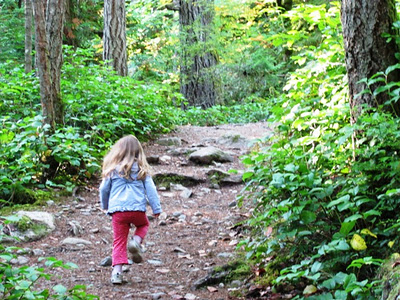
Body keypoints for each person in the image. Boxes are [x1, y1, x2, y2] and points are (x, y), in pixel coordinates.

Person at [99, 135, 162, 284]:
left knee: (119, 241)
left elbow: (103, 189)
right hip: (137, 210)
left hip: (118, 212)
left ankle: (117, 274)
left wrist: (105, 205)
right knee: (144, 224)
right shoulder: (142, 170)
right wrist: (156, 208)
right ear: (138, 152)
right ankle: (136, 241)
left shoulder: (112, 170)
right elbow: (151, 190)